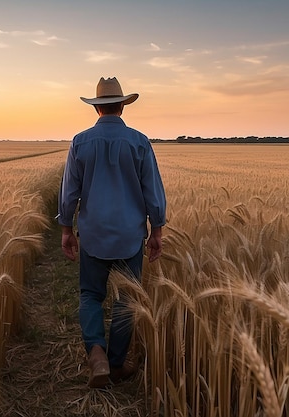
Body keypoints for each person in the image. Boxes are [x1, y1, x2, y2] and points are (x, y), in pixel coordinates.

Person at [57, 77, 167, 388]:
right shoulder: (139, 142)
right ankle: (117, 363)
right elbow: (153, 192)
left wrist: (67, 229)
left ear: (97, 109)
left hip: (93, 234)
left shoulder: (80, 142)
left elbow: (69, 194)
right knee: (125, 299)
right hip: (129, 236)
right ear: (121, 106)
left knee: (91, 294)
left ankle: (96, 355)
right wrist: (157, 230)